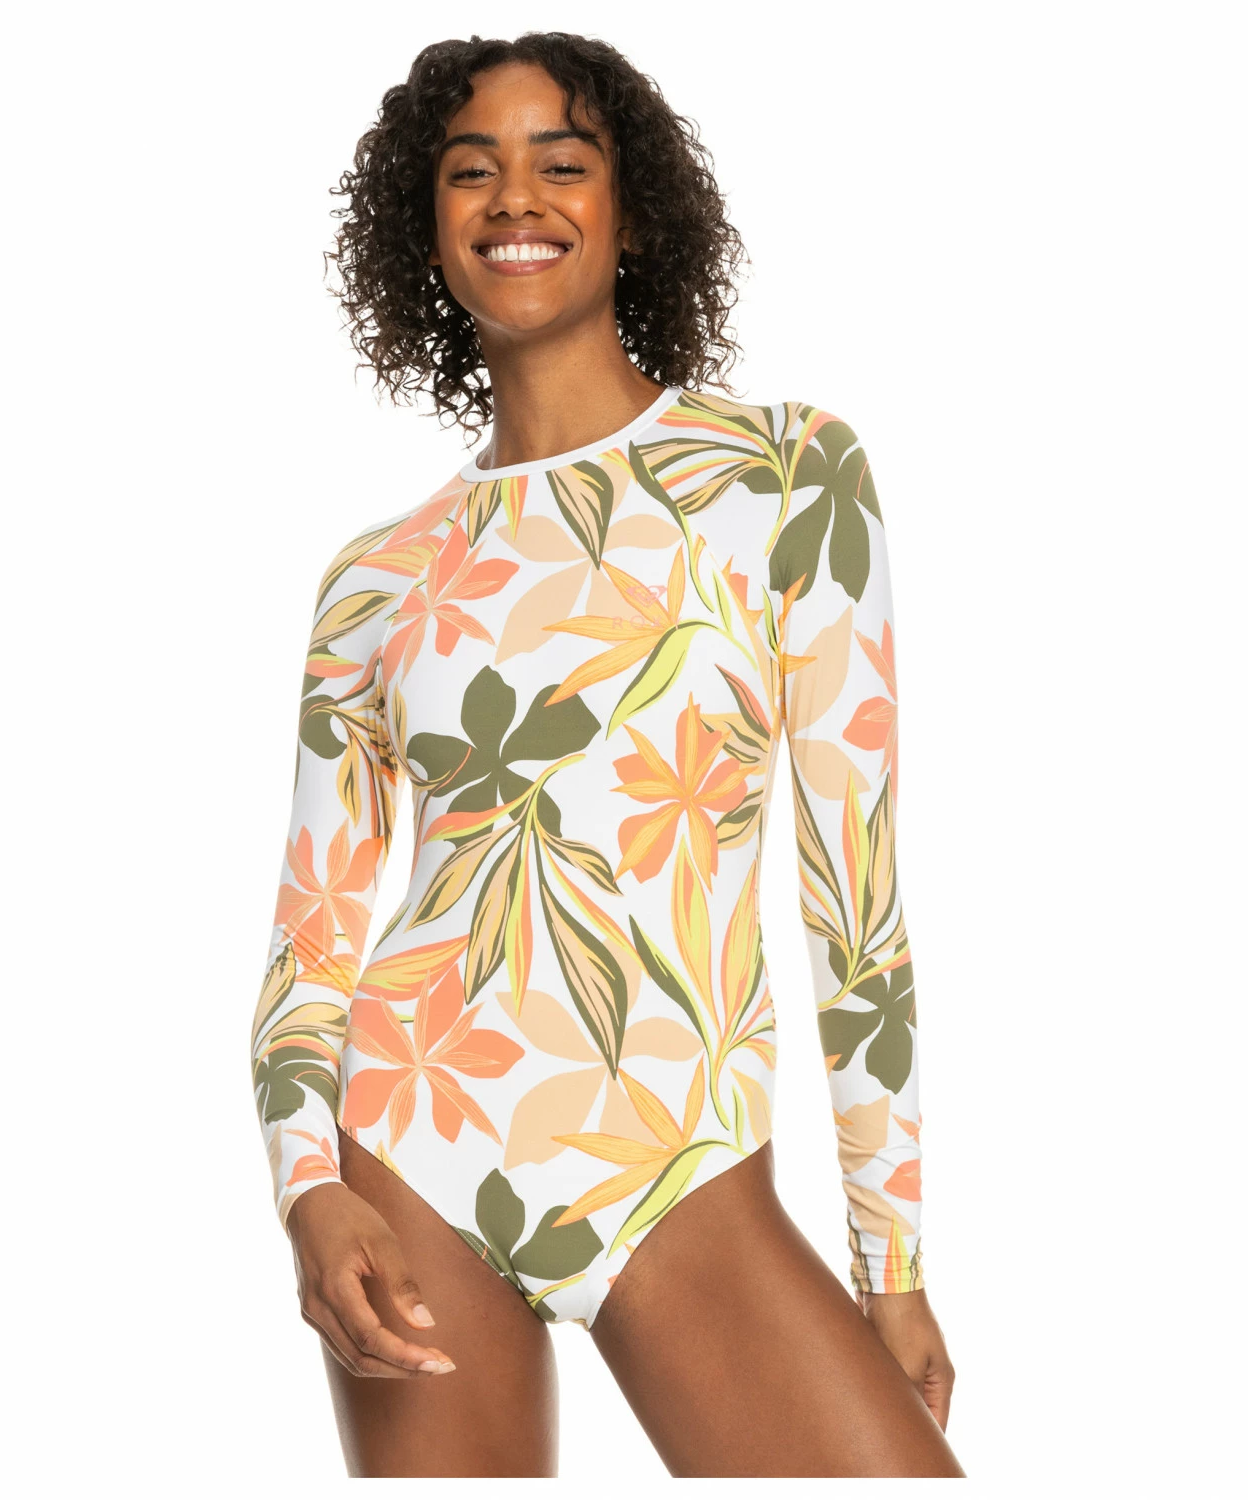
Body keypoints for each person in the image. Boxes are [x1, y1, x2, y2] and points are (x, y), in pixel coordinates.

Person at [249, 30, 964, 1479]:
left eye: (561, 163)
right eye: (472, 170)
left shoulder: (782, 477)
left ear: (632, 213)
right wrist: (308, 1190)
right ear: (426, 227)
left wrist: (889, 1261)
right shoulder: (378, 580)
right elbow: (314, 939)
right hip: (415, 1144)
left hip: (677, 1159)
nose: (516, 197)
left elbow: (854, 891)